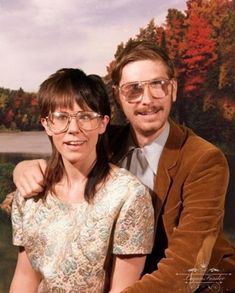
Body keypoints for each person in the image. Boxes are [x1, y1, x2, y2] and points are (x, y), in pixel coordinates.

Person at [5, 41, 235, 292]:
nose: (147, 100)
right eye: (133, 89)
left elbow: (185, 271)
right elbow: (67, 161)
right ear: (118, 96)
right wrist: (24, 168)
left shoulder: (204, 160)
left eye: (158, 85)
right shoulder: (105, 139)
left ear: (173, 90)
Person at [8, 68, 155, 293]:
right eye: (61, 118)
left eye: (85, 116)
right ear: (46, 124)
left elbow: (123, 289)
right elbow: (26, 277)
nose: (73, 129)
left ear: (103, 124)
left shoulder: (128, 196)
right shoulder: (30, 194)